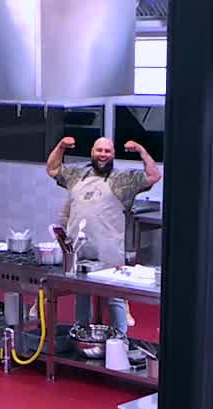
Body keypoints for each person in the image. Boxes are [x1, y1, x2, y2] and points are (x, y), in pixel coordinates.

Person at [47, 134, 161, 335]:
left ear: (113, 154)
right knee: (81, 292)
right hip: (79, 250)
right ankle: (82, 334)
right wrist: (61, 146)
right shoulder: (76, 175)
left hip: (109, 252)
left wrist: (141, 151)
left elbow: (154, 176)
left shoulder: (123, 179)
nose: (103, 154)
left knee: (115, 296)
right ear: (92, 152)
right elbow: (52, 168)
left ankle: (120, 338)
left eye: (107, 151)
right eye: (99, 150)